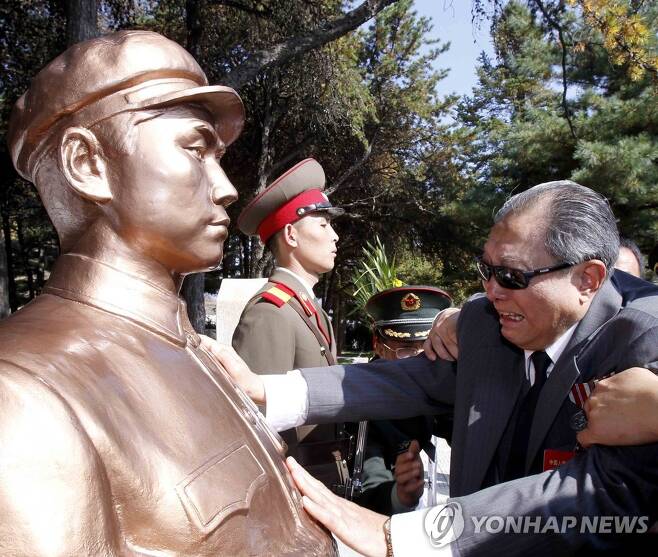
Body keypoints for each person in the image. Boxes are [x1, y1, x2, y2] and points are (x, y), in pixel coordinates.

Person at [0, 31, 335, 555]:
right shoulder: (23, 396)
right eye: (195, 149)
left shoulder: (193, 353)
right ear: (88, 165)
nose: (224, 187)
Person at [208, 180, 658, 556]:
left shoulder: (642, 341)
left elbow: (603, 493)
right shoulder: (486, 321)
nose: (491, 292)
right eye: (486, 269)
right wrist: (266, 390)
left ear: (588, 279)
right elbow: (417, 378)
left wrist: (403, 537)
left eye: (512, 276)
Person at [233, 157, 345, 486]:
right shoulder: (271, 312)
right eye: (323, 225)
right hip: (292, 490)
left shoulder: (306, 308)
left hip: (321, 483)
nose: (335, 236)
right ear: (291, 236)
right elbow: (258, 427)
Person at [353, 286, 452, 515]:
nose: (418, 364)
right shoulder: (365, 399)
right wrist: (401, 496)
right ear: (377, 345)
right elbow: (370, 485)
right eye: (405, 351)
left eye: (425, 348)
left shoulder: (438, 381)